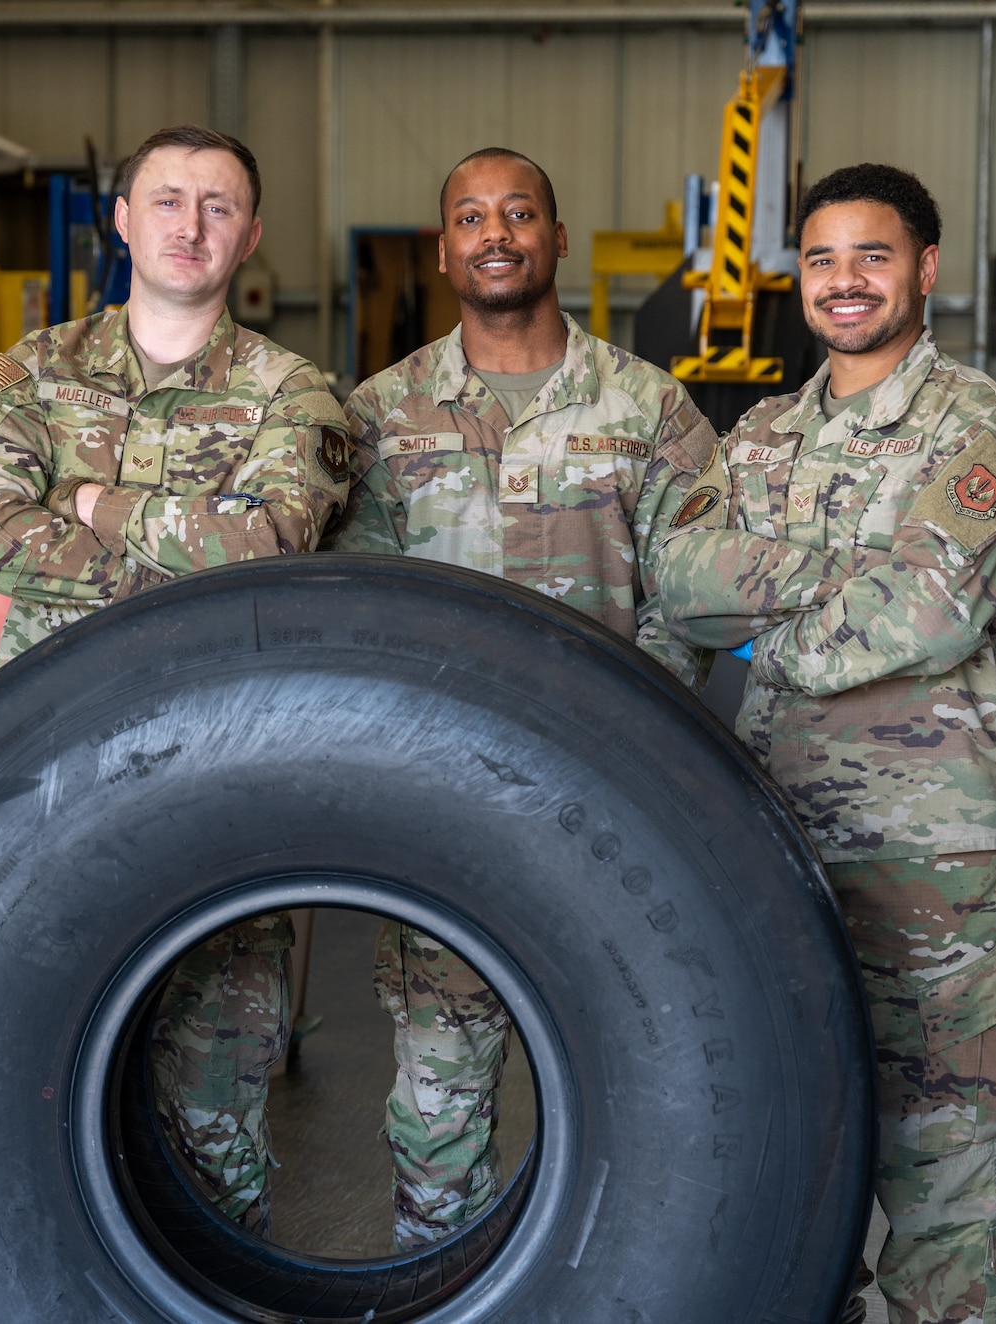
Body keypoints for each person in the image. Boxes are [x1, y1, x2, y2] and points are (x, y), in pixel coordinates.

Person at [654, 163, 996, 1324]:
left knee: (941, 1186)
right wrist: (844, 582)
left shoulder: (980, 425)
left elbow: (927, 614)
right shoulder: (766, 432)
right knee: (803, 1172)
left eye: (871, 256)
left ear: (923, 269)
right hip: (778, 844)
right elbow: (683, 582)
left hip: (932, 862)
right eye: (821, 258)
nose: (843, 282)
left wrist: (764, 636)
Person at [0, 124, 351, 1233]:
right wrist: (182, 550)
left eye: (217, 206)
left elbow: (274, 539)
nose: (189, 224)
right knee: (22, 1063)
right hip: (46, 767)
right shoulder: (25, 375)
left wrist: (86, 503)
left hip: (221, 765)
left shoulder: (296, 392)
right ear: (120, 222)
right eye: (165, 200)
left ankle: (219, 1284)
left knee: (216, 1079)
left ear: (252, 236)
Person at [325, 146, 717, 1249]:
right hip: (442, 818)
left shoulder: (648, 410)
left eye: (517, 212)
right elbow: (356, 616)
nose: (494, 233)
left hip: (613, 818)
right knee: (437, 1104)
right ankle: (442, 1282)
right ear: (442, 247)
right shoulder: (377, 417)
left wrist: (618, 732)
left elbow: (686, 600)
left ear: (553, 236)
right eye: (469, 217)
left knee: (643, 1087)